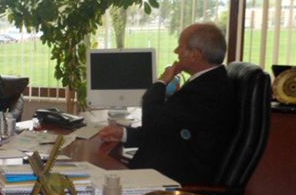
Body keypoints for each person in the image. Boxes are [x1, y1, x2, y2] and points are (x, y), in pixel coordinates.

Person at [98, 22, 236, 185]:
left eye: (180, 47)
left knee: (99, 179)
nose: (176, 51)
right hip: (165, 171)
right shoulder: (207, 82)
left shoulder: (207, 91)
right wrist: (123, 134)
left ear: (195, 55)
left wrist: (162, 82)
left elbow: (154, 121)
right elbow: (165, 129)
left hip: (172, 182)